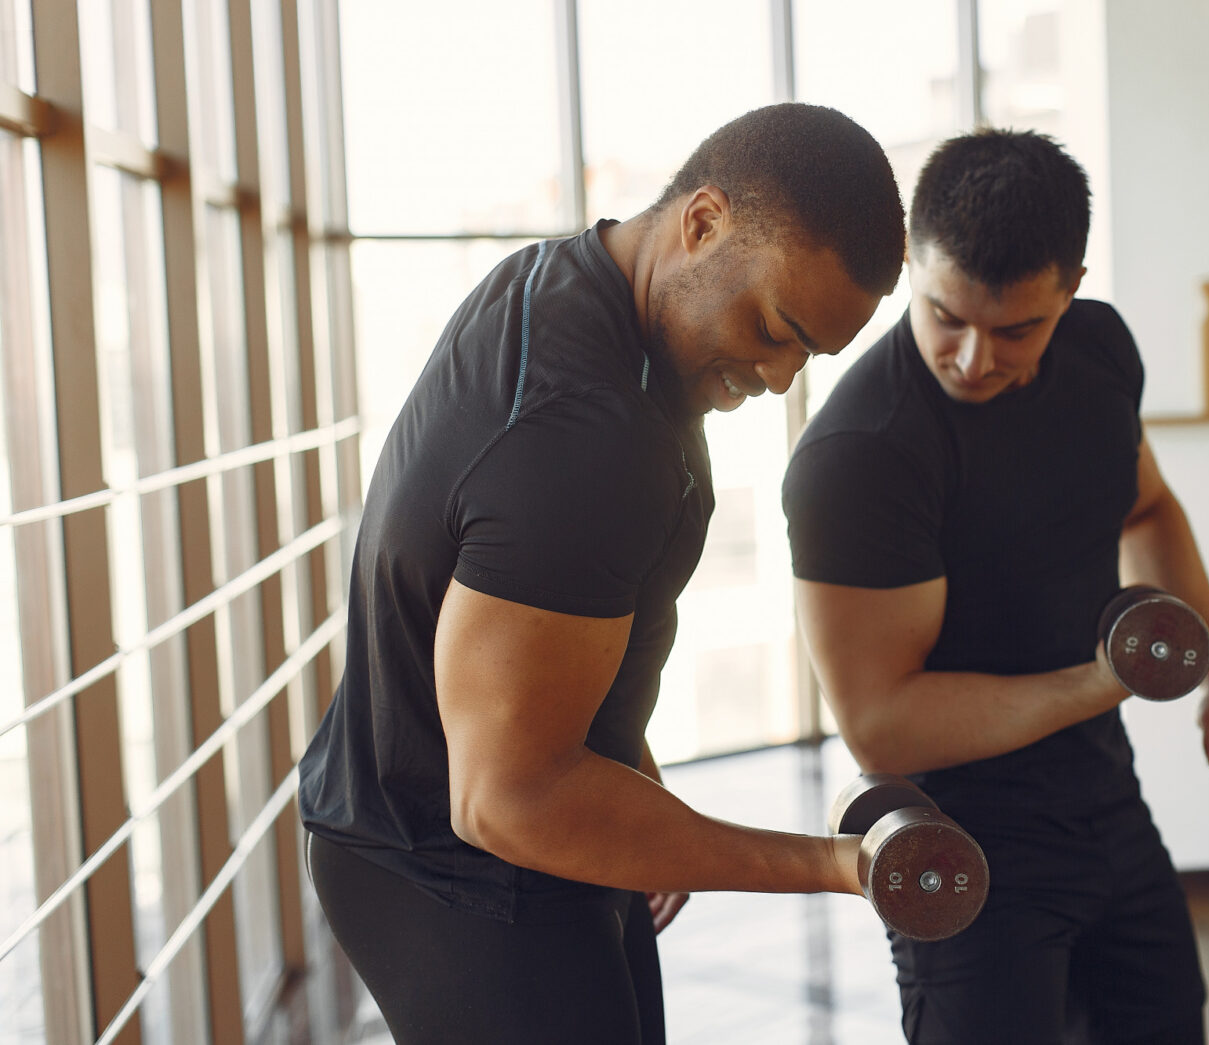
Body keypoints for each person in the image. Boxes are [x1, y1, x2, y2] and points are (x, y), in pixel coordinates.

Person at [297, 102, 906, 1044]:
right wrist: (841, 866)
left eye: (810, 354)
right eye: (774, 327)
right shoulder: (582, 431)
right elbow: (507, 794)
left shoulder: (566, 279)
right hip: (466, 870)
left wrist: (629, 775)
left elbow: (538, 612)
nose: (783, 377)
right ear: (704, 221)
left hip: (469, 821)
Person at [782, 128, 1209, 1044]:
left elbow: (1150, 508)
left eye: (1015, 329)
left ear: (1071, 289)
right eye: (944, 316)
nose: (973, 357)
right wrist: (1108, 679)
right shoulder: (861, 455)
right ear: (910, 268)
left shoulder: (1099, 354)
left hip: (1106, 806)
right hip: (959, 845)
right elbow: (882, 722)